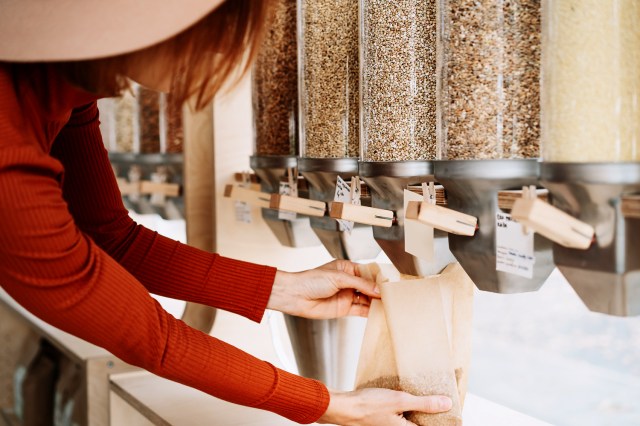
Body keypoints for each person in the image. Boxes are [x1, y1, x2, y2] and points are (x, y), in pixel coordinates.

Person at [0, 0, 452, 424]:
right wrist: (329, 404)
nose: (223, 50)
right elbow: (147, 336)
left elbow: (112, 238)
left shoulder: (68, 92)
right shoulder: (8, 150)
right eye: (210, 27)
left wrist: (283, 289)